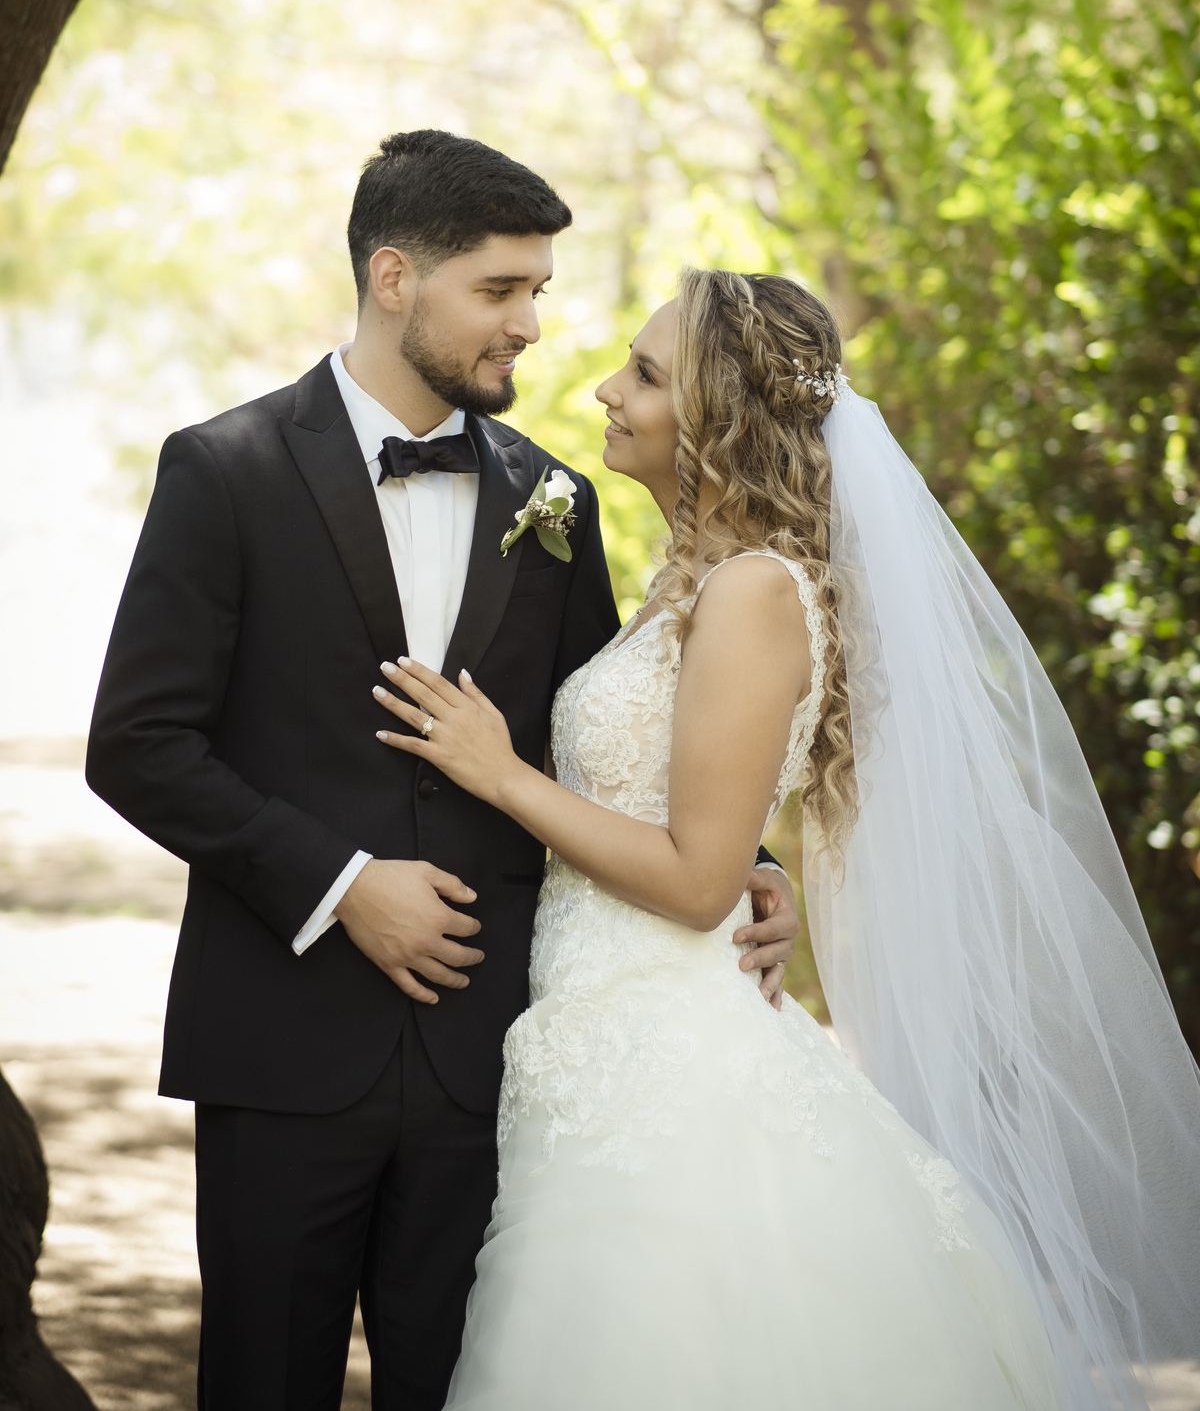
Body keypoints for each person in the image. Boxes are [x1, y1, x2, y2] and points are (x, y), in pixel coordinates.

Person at [371, 268, 1200, 1411]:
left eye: (646, 375)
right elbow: (693, 816)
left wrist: (502, 774)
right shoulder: (694, 584)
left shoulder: (754, 592)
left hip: (671, 1067)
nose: (608, 390)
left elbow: (694, 877)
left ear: (720, 419)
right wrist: (763, 868)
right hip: (595, 1038)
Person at [84, 139, 802, 1411]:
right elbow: (139, 745)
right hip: (281, 1044)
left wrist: (746, 865)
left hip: (499, 1057)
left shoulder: (557, 499)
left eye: (538, 290)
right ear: (395, 278)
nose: (531, 325)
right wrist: (341, 885)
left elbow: (597, 742)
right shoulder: (225, 469)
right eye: (500, 290)